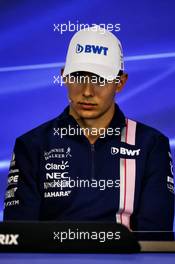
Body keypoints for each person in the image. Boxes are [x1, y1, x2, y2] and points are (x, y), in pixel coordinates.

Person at [3, 26, 174, 231]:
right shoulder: (31, 145)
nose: (87, 91)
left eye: (100, 79)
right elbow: (19, 237)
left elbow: (155, 239)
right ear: (64, 77)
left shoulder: (151, 145)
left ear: (120, 82)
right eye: (78, 77)